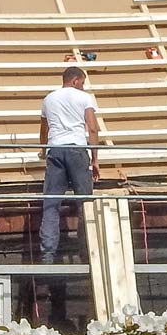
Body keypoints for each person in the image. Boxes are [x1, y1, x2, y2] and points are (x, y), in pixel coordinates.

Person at [38, 66, 99, 263]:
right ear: (75, 80)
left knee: (51, 204)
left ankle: (47, 255)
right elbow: (93, 129)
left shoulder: (48, 99)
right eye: (82, 82)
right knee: (85, 202)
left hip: (55, 150)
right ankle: (87, 252)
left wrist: (43, 150)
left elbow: (43, 132)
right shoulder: (84, 98)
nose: (83, 86)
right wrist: (95, 160)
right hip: (76, 150)